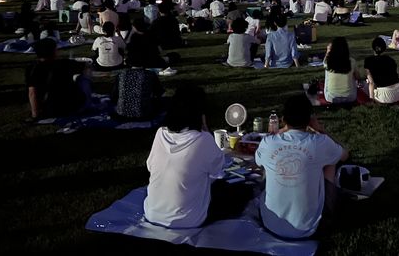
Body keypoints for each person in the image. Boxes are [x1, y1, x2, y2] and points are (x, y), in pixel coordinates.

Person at [144, 85, 239, 228]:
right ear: (200, 113)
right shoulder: (202, 139)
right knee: (236, 192)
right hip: (188, 220)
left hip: (152, 213)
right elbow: (218, 172)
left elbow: (150, 166)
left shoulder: (160, 133)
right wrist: (206, 131)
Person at [255, 94, 349, 239]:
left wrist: (282, 129)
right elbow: (344, 155)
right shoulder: (320, 142)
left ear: (283, 119)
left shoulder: (268, 143)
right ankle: (328, 207)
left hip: (270, 224)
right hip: (310, 228)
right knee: (331, 161)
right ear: (310, 120)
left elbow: (258, 162)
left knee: (268, 167)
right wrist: (320, 129)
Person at [25, 38, 92, 120]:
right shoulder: (65, 64)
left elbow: (32, 92)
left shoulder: (32, 69)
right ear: (54, 51)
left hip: (48, 110)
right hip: (72, 108)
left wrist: (35, 114)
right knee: (83, 78)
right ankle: (86, 103)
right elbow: (87, 66)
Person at [363, 37, 399, 103]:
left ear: (373, 48)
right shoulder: (390, 59)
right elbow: (396, 74)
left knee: (365, 85)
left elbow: (371, 83)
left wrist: (371, 99)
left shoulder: (368, 61)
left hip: (385, 96)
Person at [323, 37, 359, 103]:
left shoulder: (328, 62)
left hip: (331, 97)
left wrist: (328, 51)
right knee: (352, 76)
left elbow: (325, 61)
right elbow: (357, 77)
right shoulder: (352, 61)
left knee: (327, 74)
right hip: (350, 97)